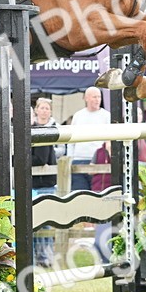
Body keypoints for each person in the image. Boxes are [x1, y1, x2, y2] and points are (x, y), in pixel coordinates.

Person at [30, 100, 59, 268]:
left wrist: (18, 159)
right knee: (34, 223)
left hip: (45, 183)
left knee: (45, 222)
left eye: (47, 108)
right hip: (33, 183)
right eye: (41, 107)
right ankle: (36, 258)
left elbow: (40, 159)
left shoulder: (48, 131)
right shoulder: (32, 130)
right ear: (37, 110)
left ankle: (45, 257)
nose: (44, 111)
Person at [66, 87, 111, 191]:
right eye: (94, 97)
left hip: (98, 162)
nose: (97, 99)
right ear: (86, 98)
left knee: (98, 194)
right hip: (79, 160)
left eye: (99, 97)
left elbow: (109, 141)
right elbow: (71, 140)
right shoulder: (78, 116)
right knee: (79, 195)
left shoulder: (106, 116)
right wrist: (70, 158)